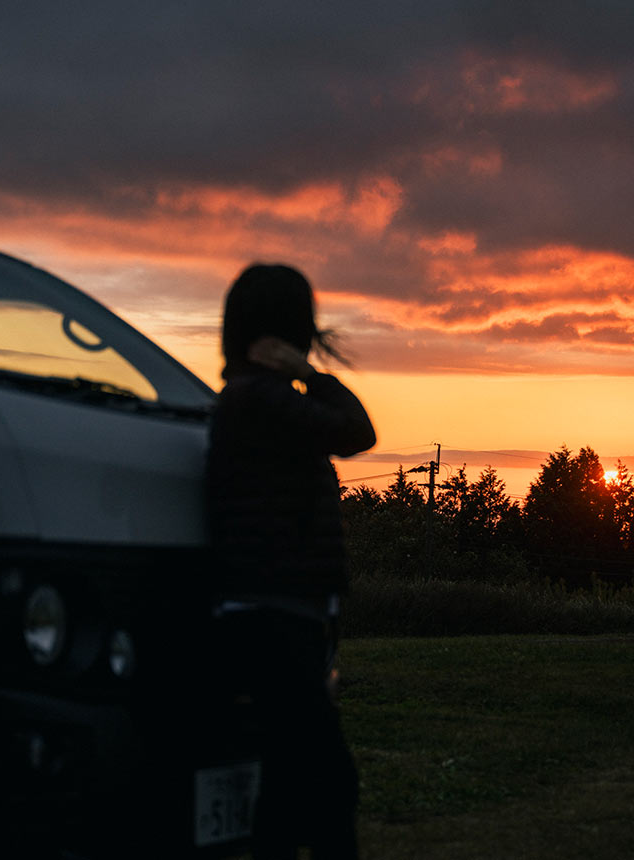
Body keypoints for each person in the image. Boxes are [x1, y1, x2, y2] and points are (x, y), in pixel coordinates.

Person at [206, 263, 376, 859]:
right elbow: (358, 432)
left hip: (277, 615)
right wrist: (308, 374)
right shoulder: (260, 401)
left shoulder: (252, 400)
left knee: (285, 784)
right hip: (272, 617)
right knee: (329, 783)